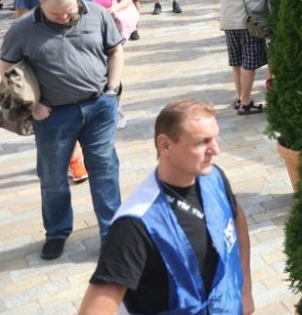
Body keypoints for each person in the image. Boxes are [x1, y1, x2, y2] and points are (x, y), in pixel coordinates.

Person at [78, 100, 254, 315]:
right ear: (165, 145)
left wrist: (245, 289)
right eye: (202, 142)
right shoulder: (135, 224)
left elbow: (236, 217)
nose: (215, 150)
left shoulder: (213, 177)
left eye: (215, 138)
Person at [1, 0, 124, 260]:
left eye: (70, 11)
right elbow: (5, 69)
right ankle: (57, 232)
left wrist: (112, 89)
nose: (66, 17)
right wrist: (33, 107)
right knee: (53, 177)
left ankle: (112, 234)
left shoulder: (96, 13)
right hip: (54, 116)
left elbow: (115, 50)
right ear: (41, 6)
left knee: (105, 169)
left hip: (99, 107)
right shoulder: (23, 28)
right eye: (58, 15)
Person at [219, 0, 272, 116]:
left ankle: (239, 97)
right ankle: (246, 102)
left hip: (228, 21)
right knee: (249, 64)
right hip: (250, 23)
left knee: (236, 62)